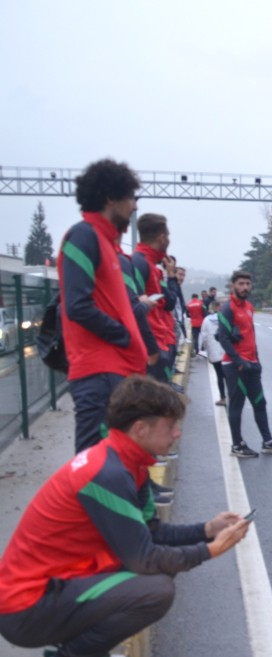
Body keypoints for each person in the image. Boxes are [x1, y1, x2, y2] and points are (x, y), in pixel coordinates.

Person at [0, 376, 251, 657]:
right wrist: (209, 551)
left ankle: (84, 648)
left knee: (159, 570)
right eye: (171, 426)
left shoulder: (126, 461)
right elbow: (143, 557)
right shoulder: (106, 473)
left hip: (55, 587)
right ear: (141, 429)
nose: (178, 433)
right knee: (156, 589)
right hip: (25, 608)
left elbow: (152, 533)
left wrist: (206, 529)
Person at [58, 159, 151, 453]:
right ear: (110, 197)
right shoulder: (83, 236)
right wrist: (123, 335)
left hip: (115, 371)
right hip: (98, 374)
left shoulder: (105, 242)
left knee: (118, 463)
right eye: (130, 198)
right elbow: (76, 306)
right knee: (93, 469)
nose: (134, 207)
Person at [216, 271, 272, 458]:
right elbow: (223, 338)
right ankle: (237, 445)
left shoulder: (249, 306)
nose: (245, 287)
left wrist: (256, 360)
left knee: (260, 403)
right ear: (233, 286)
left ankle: (268, 441)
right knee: (237, 406)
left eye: (248, 284)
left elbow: (250, 335)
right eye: (241, 283)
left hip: (252, 364)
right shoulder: (228, 308)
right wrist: (239, 361)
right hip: (235, 366)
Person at [131, 215, 181, 386]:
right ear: (162, 237)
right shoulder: (139, 263)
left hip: (163, 342)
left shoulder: (154, 267)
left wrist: (171, 277)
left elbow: (169, 302)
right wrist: (152, 349)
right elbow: (135, 308)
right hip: (153, 348)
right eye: (168, 236)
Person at [200, 300, 227, 406]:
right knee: (229, 376)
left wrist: (206, 350)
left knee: (219, 376)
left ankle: (223, 398)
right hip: (226, 352)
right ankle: (233, 397)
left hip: (214, 352)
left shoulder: (206, 320)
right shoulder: (224, 318)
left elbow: (204, 336)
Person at [187, 293, 205, 358]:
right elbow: (204, 311)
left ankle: (197, 351)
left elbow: (187, 314)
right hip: (201, 322)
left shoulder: (189, 304)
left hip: (194, 323)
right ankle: (203, 349)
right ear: (197, 297)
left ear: (192, 297)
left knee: (195, 338)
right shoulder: (201, 303)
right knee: (203, 336)